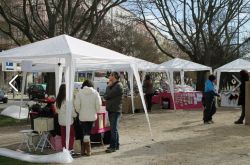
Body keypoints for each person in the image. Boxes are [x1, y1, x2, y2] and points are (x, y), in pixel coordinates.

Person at [74, 79, 102, 156]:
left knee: (84, 132)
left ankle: (84, 150)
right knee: (87, 132)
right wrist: (95, 111)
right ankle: (88, 149)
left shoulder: (79, 93)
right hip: (92, 115)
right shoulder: (95, 93)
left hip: (82, 115)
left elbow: (76, 104)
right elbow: (98, 104)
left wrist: (79, 111)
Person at [104, 72, 123, 153]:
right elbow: (105, 96)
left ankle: (113, 146)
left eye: (110, 75)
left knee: (113, 129)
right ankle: (116, 145)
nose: (109, 76)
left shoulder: (118, 85)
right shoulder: (114, 85)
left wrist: (108, 86)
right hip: (112, 109)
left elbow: (108, 95)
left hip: (115, 110)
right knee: (114, 129)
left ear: (114, 76)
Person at [56, 84, 77, 154]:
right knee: (71, 135)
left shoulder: (58, 100)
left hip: (61, 120)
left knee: (63, 136)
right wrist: (75, 115)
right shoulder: (67, 100)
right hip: (68, 121)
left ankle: (64, 149)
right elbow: (71, 111)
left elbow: (57, 111)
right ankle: (70, 149)